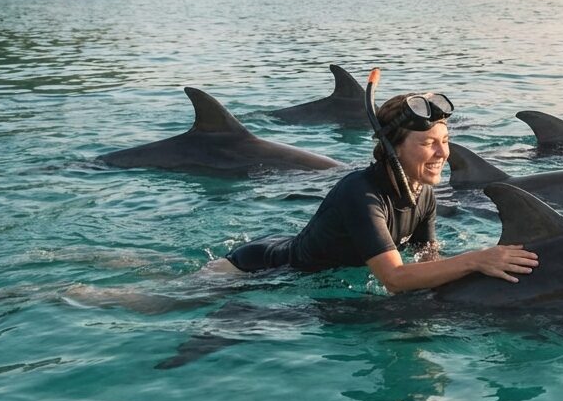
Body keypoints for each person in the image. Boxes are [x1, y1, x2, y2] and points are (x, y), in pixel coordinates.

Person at [208, 91, 538, 292]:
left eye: (445, 141)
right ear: (393, 149)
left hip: (309, 258)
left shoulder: (422, 194)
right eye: (428, 144)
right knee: (169, 300)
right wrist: (476, 260)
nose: (443, 154)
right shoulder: (361, 194)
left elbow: (427, 259)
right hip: (252, 270)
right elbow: (393, 278)